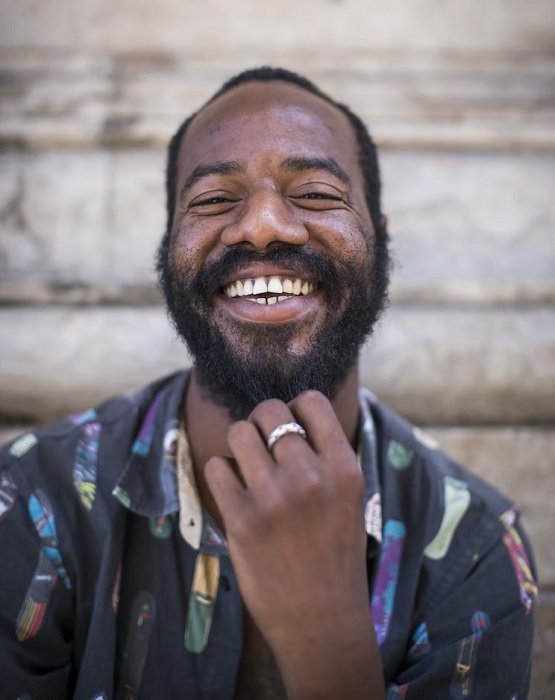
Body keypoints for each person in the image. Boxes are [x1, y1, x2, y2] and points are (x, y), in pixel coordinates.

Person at [0, 67, 537, 699]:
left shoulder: (472, 549)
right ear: (171, 247)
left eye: (313, 193)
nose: (260, 225)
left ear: (381, 240)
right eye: (212, 199)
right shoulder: (33, 504)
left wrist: (329, 642)